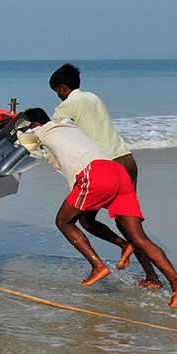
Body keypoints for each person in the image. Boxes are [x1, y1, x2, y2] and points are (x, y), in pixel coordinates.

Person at [24, 107, 177, 307]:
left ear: (34, 125)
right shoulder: (67, 125)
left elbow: (19, 138)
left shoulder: (41, 132)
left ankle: (98, 266)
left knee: (63, 221)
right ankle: (176, 283)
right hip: (117, 172)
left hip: (95, 174)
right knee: (132, 235)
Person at [49, 63, 161, 288]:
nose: (58, 98)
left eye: (57, 92)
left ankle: (120, 247)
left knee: (82, 220)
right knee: (128, 223)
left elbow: (49, 132)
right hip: (126, 159)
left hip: (105, 167)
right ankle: (152, 276)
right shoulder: (93, 97)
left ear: (62, 88)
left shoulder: (67, 106)